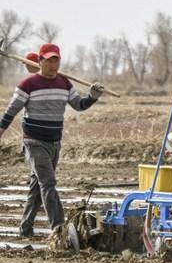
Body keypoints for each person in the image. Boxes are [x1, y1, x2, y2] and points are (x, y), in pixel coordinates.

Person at [0, 43, 104, 237]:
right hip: (33, 142)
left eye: (55, 60)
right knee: (48, 183)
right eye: (48, 60)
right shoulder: (28, 84)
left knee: (37, 187)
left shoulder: (64, 84)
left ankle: (25, 229)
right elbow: (10, 111)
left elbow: (79, 105)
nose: (52, 64)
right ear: (39, 61)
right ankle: (59, 229)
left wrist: (92, 96)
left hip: (54, 142)